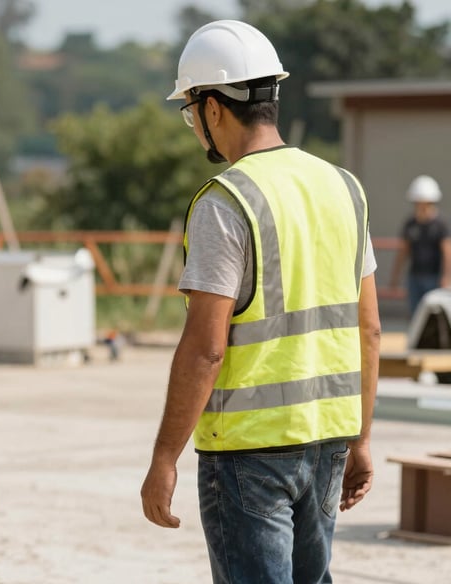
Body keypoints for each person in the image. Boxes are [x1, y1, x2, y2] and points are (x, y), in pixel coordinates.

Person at [140, 20, 381, 584]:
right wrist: (362, 438)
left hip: (248, 451)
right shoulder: (344, 186)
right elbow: (369, 330)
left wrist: (164, 458)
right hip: (328, 439)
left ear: (213, 107)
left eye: (190, 111)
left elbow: (205, 348)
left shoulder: (226, 201)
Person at [389, 174, 451, 316]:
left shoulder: (441, 225)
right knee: (415, 315)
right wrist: (395, 277)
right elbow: (403, 252)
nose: (421, 207)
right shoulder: (410, 224)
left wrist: (446, 278)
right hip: (414, 277)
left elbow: (447, 253)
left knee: (433, 316)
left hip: (434, 277)